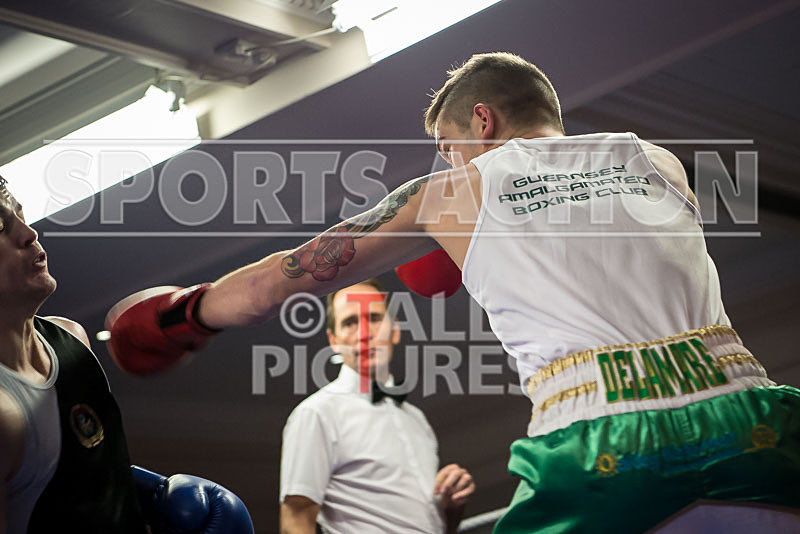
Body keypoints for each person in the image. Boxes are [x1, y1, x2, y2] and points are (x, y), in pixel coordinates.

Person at [107, 52, 800, 532]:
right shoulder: (656, 160)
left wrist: (182, 316)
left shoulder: (453, 192)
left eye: (447, 143)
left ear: (483, 122)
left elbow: (278, 279)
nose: (445, 159)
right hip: (753, 416)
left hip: (604, 446)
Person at [0, 176, 253, 533]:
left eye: (21, 215)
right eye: (1, 227)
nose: (29, 234)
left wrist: (150, 493)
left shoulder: (71, 340)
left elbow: (81, 473)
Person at [279, 278, 475, 534]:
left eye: (373, 318)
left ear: (394, 330)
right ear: (333, 340)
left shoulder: (417, 420)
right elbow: (296, 516)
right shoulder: (317, 413)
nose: (364, 333)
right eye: (350, 323)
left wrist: (450, 506)